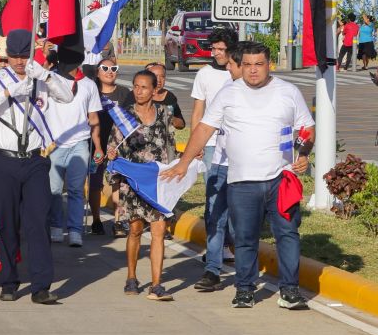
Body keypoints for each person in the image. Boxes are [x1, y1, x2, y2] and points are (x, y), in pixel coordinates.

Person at [162, 42, 313, 310]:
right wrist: (184, 162)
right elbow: (204, 129)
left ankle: (289, 291)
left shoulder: (288, 92)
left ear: (269, 65)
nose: (253, 70)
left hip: (282, 179)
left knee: (288, 234)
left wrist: (303, 154)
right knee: (244, 237)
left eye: (259, 64)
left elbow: (307, 128)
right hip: (242, 182)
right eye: (247, 65)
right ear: (240, 66)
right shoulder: (228, 94)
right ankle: (244, 289)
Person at [0, 29, 73, 305]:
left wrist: (44, 76)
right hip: (3, 159)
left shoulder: (39, 77)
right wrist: (9, 92)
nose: (19, 61)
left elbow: (67, 96)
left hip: (34, 160)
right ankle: (9, 280)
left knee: (37, 222)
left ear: (32, 53)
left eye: (23, 55)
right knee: (7, 223)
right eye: (14, 56)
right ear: (7, 56)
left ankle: (41, 286)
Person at [104, 70, 179, 301]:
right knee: (135, 230)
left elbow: (170, 145)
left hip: (156, 183)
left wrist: (176, 172)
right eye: (136, 86)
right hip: (133, 182)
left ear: (155, 90)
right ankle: (132, 277)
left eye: (144, 87)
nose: (138, 91)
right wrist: (112, 154)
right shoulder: (124, 117)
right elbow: (113, 149)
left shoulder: (165, 113)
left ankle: (156, 284)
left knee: (158, 230)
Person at [188, 28, 238, 292]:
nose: (216, 54)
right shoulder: (204, 74)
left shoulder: (242, 75)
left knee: (234, 207)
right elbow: (198, 110)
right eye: (214, 49)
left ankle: (228, 247)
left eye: (221, 49)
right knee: (214, 205)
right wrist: (195, 143)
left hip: (239, 152)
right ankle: (214, 264)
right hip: (210, 147)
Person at [40, 50, 101, 247]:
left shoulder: (89, 85)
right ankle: (56, 226)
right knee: (54, 190)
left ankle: (75, 230)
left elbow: (94, 118)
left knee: (76, 189)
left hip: (80, 143)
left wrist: (97, 146)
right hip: (54, 144)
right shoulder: (50, 80)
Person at [90, 57, 132, 236]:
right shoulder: (92, 91)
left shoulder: (124, 93)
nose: (109, 71)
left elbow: (131, 118)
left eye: (113, 68)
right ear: (97, 72)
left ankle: (118, 222)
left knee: (118, 183)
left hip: (119, 146)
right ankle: (96, 219)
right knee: (95, 182)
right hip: (95, 145)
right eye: (105, 68)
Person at [144, 63, 185, 130]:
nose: (159, 80)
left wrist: (169, 117)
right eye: (155, 76)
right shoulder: (137, 95)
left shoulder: (170, 97)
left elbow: (181, 124)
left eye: (162, 76)